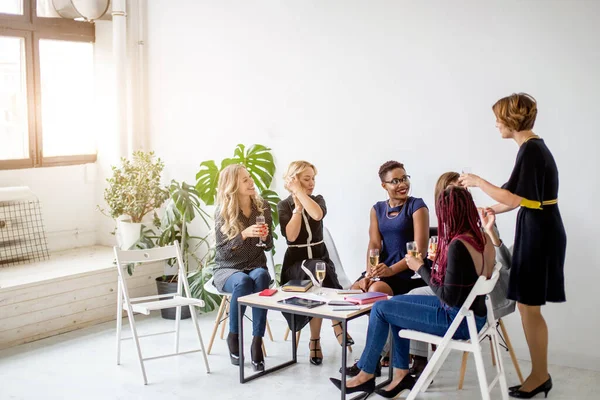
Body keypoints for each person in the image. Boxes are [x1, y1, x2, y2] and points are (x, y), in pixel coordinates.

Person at [330, 186, 496, 398]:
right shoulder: (483, 238)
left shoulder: (458, 245)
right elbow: (473, 279)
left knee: (381, 308)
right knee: (399, 302)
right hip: (475, 315)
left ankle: (365, 374)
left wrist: (420, 267)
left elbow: (447, 296)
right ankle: (401, 375)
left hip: (458, 320)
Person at [459, 93, 566, 398]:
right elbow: (522, 196)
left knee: (529, 307)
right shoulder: (531, 148)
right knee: (527, 307)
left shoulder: (531, 150)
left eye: (497, 119)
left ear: (510, 120)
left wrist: (478, 181)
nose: (495, 124)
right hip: (539, 226)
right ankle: (539, 373)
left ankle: (539, 375)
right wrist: (492, 208)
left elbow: (518, 199)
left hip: (540, 232)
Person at [407, 171, 514, 378]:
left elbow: (503, 263)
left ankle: (418, 362)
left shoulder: (480, 222)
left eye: (461, 188)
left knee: (410, 299)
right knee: (410, 296)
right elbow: (452, 275)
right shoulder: (447, 230)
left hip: (480, 301)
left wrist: (491, 232)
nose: (458, 194)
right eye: (453, 190)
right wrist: (433, 261)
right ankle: (416, 360)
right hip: (468, 297)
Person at [277, 161, 351, 365]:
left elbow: (317, 214)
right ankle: (337, 322)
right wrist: (297, 209)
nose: (312, 183)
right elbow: (291, 237)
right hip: (296, 265)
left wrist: (300, 194)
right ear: (294, 180)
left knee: (319, 279)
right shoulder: (284, 206)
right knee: (320, 270)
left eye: (313, 179)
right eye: (306, 179)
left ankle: (314, 341)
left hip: (320, 259)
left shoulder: (317, 200)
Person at [213, 164, 273, 372]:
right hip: (228, 269)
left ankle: (257, 342)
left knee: (261, 277)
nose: (251, 182)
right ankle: (234, 335)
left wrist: (264, 237)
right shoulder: (223, 212)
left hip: (255, 264)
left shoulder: (262, 206)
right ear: (233, 185)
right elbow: (222, 253)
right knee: (244, 281)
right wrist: (244, 234)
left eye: (250, 177)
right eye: (245, 179)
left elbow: (269, 245)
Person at [351, 160, 429, 296]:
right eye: (395, 181)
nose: (403, 184)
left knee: (375, 291)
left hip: (408, 271)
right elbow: (374, 244)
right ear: (384, 185)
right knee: (355, 290)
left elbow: (420, 250)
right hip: (383, 268)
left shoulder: (417, 206)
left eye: (405, 178)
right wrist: (369, 273)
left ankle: (382, 316)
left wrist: (391, 271)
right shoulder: (377, 209)